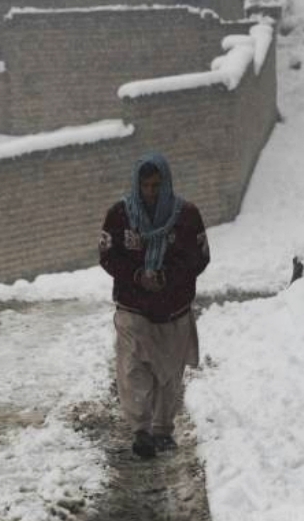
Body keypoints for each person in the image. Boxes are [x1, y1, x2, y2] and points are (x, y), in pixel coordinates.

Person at [98, 152, 209, 459]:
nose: (151, 192)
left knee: (169, 373)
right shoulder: (120, 216)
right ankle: (140, 430)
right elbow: (108, 256)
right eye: (146, 185)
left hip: (173, 308)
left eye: (157, 185)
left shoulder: (186, 217)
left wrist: (167, 277)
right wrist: (137, 275)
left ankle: (162, 428)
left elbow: (198, 258)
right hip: (133, 307)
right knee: (133, 368)